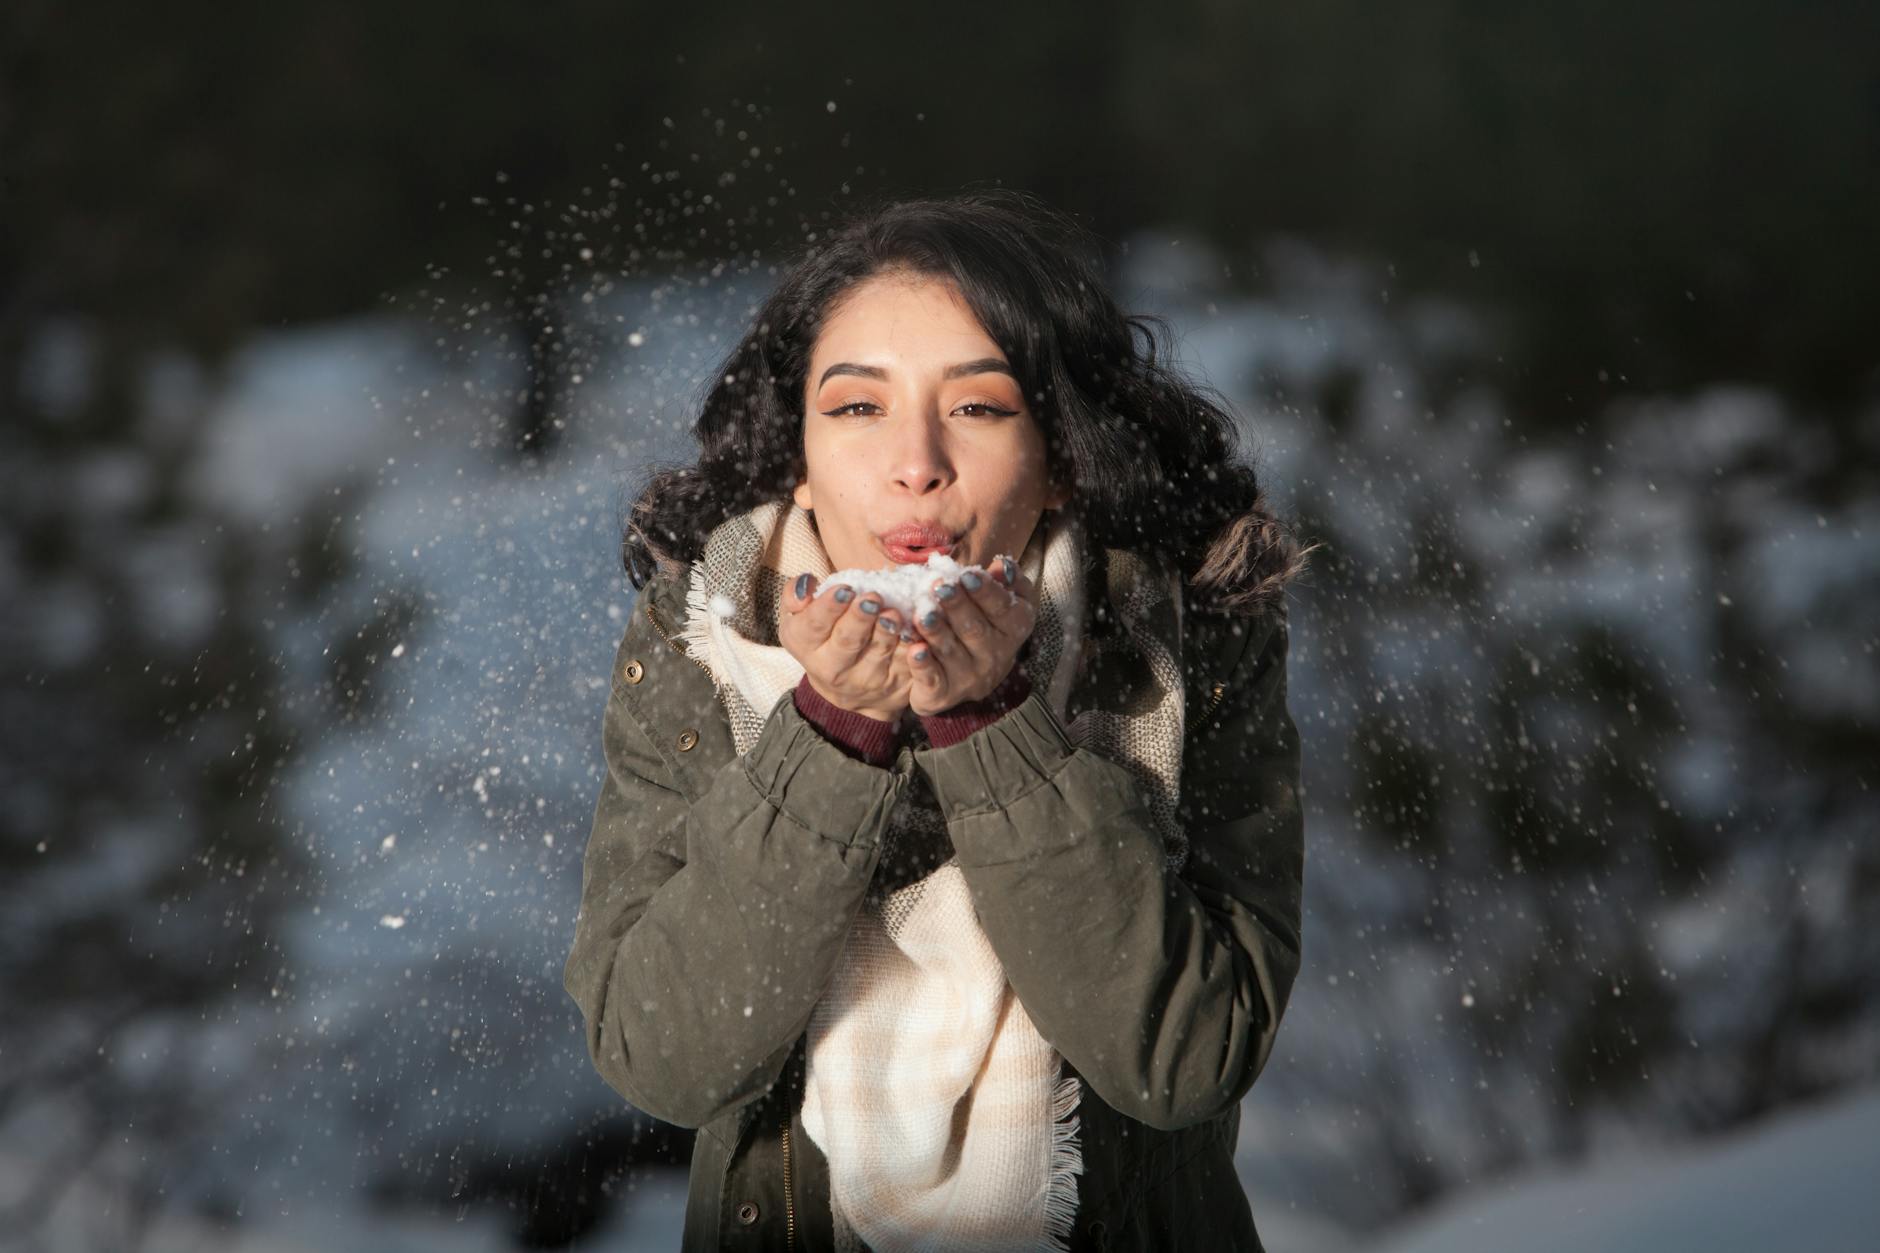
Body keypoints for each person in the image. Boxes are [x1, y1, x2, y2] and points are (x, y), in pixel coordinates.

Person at [563, 187, 1315, 1252]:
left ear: (1060, 454)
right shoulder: (702, 637)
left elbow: (1180, 1059)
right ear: (797, 452)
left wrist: (994, 726)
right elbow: (668, 1054)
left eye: (977, 406)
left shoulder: (1184, 640)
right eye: (857, 407)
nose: (914, 461)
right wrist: (828, 732)